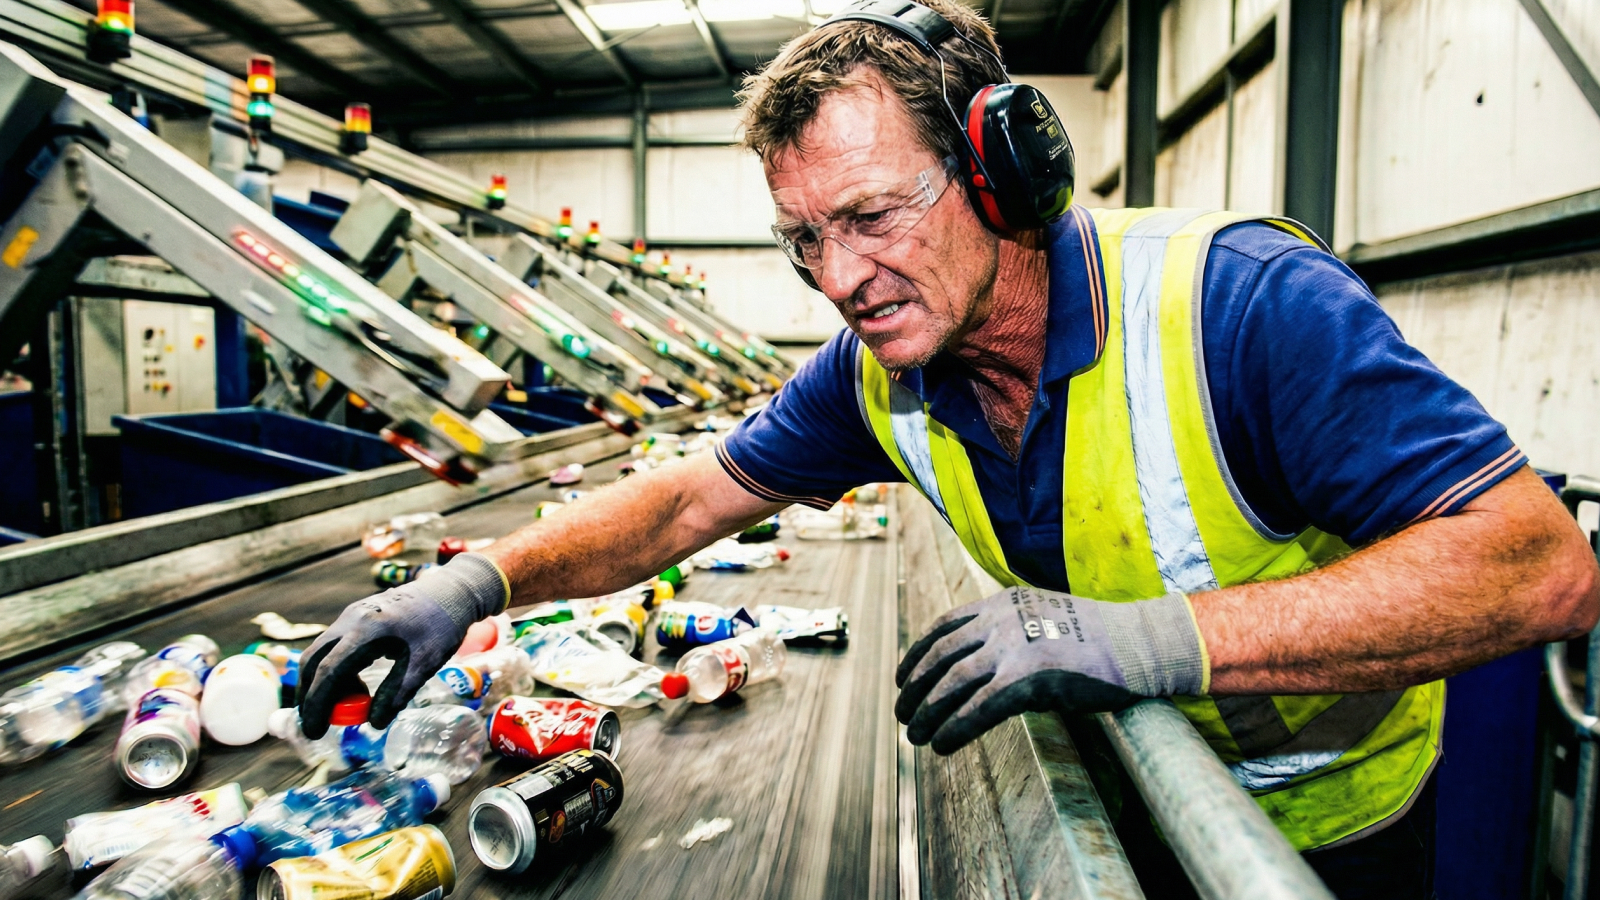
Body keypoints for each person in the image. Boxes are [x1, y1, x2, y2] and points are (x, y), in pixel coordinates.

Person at [298, 1, 1599, 895]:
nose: (842, 278)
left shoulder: (1237, 308)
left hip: (1326, 831)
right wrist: (477, 585)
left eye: (870, 215)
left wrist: (1150, 640)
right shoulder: (881, 379)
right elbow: (686, 503)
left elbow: (1538, 566)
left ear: (998, 174)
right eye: (805, 238)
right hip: (1139, 792)